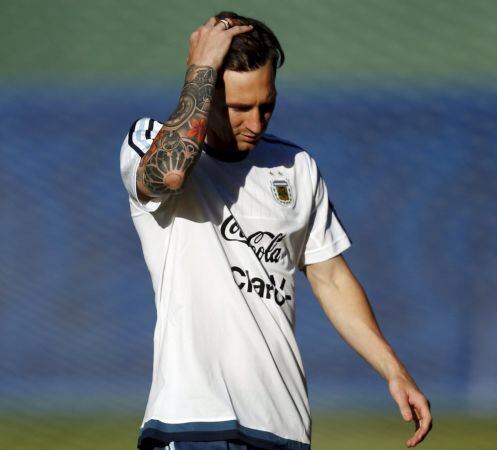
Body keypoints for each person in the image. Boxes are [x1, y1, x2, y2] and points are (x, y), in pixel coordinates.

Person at [120, 11, 432, 450]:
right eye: (239, 108)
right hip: (194, 422)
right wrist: (200, 70)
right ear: (205, 93)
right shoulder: (149, 140)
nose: (256, 122)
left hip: (283, 428)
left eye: (267, 105)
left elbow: (332, 279)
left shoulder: (296, 167)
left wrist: (394, 371)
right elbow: (169, 176)